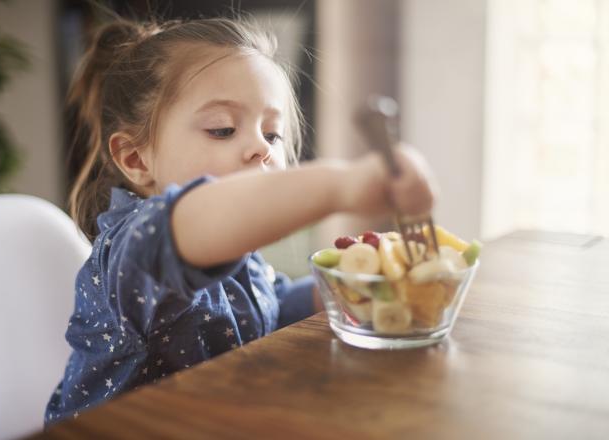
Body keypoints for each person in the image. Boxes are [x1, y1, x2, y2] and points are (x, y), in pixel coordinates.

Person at [45, 16, 436, 424]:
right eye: (222, 129)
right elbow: (201, 217)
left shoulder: (235, 249)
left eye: (272, 134)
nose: (259, 148)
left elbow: (266, 309)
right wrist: (343, 184)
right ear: (135, 159)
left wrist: (342, 288)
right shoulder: (135, 251)